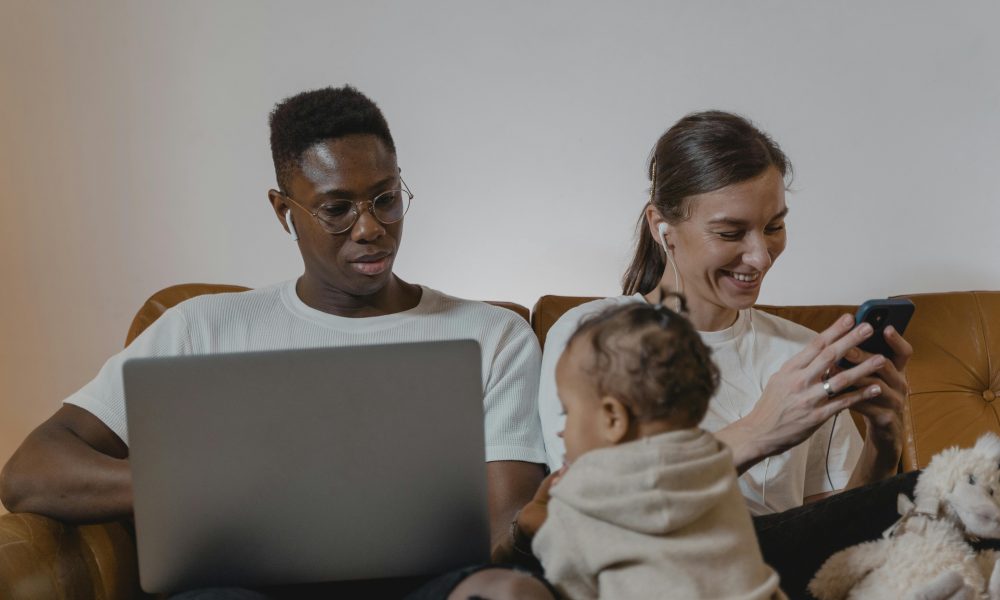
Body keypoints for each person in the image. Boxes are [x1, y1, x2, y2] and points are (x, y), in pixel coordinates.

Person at [0, 85, 553, 599]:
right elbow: (30, 473)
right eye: (336, 209)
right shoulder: (200, 327)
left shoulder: (491, 335)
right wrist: (200, 483)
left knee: (508, 592)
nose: (369, 228)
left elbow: (503, 525)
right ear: (284, 210)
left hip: (422, 587)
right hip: (243, 590)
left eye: (385, 199)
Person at [531, 110, 913, 598]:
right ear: (661, 226)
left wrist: (884, 441)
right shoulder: (595, 336)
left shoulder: (803, 353)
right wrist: (759, 431)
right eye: (731, 234)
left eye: (774, 226)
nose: (759, 256)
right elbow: (598, 507)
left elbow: (838, 537)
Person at [532, 299, 784, 599]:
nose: (562, 429)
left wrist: (543, 514)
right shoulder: (715, 463)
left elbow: (562, 581)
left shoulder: (580, 495)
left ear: (613, 418)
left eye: (567, 411)